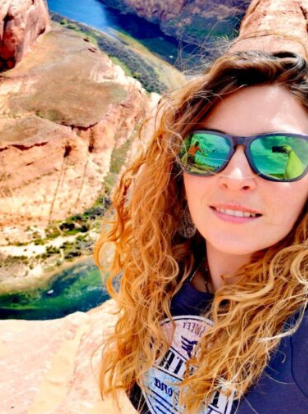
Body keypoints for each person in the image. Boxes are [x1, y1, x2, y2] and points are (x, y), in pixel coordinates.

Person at [94, 50, 308, 414]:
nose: (234, 177)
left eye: (279, 154)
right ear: (179, 171)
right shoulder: (167, 275)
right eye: (207, 149)